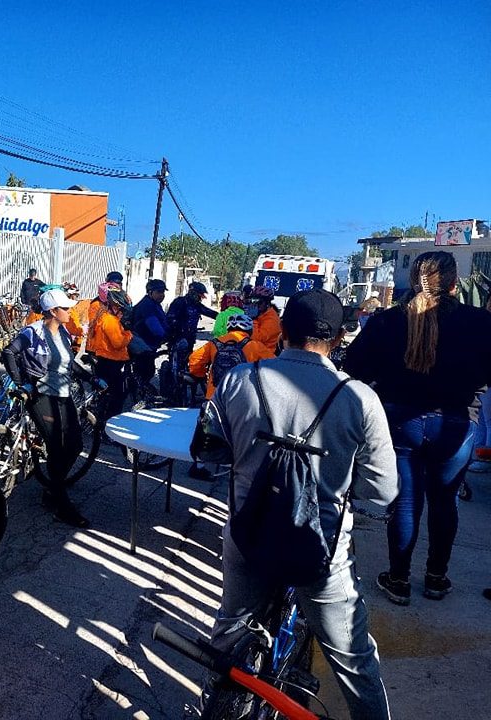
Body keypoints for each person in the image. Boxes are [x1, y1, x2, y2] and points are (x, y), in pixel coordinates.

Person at [201, 289, 397, 720]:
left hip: (247, 535)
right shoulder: (359, 398)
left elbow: (209, 449)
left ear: (282, 330)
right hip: (320, 550)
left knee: (231, 627)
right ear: (341, 337)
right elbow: (382, 490)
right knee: (354, 659)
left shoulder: (240, 380)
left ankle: (215, 695)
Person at [344, 250, 491, 605]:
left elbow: (355, 368)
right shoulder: (479, 323)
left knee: (406, 503)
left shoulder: (387, 321)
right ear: (455, 283)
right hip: (456, 424)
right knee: (446, 503)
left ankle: (398, 580)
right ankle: (437, 578)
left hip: (399, 422)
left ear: (413, 281)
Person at [1, 288, 89, 528]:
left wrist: (92, 378)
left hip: (63, 394)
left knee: (75, 445)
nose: (71, 312)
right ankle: (62, 505)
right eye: (66, 309)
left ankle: (52, 489)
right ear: (52, 311)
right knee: (57, 449)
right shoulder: (33, 332)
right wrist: (22, 385)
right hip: (41, 396)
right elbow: (8, 352)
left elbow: (68, 365)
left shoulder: (64, 334)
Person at [188, 312, 273, 400]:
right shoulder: (255, 346)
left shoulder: (214, 343)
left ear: (228, 328)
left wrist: (200, 374)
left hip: (214, 396)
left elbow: (195, 359)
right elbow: (274, 365)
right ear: (249, 330)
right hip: (243, 397)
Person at [86, 286, 133, 420]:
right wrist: (129, 334)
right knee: (116, 396)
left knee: (107, 394)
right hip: (110, 361)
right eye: (121, 309)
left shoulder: (104, 316)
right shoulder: (110, 320)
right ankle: (106, 426)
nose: (122, 312)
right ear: (114, 306)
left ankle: (101, 421)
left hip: (105, 360)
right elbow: (118, 343)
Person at [131, 278, 169, 384]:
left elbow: (164, 322)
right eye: (159, 292)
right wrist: (166, 336)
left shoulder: (155, 304)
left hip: (149, 343)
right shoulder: (147, 305)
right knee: (145, 371)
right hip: (142, 344)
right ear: (150, 292)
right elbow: (154, 325)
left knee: (148, 371)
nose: (162, 295)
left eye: (163, 292)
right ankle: (138, 394)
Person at [166, 281, 218, 358]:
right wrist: (177, 326)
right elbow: (169, 318)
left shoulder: (197, 305)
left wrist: (225, 316)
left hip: (190, 337)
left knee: (188, 359)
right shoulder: (179, 302)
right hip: (177, 336)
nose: (201, 299)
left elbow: (210, 313)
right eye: (199, 296)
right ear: (193, 293)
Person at [245, 285, 281, 353]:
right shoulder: (261, 315)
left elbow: (256, 339)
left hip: (266, 356)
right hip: (255, 353)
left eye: (259, 302)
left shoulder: (272, 319)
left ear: (267, 303)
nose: (256, 305)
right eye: (253, 301)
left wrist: (253, 319)